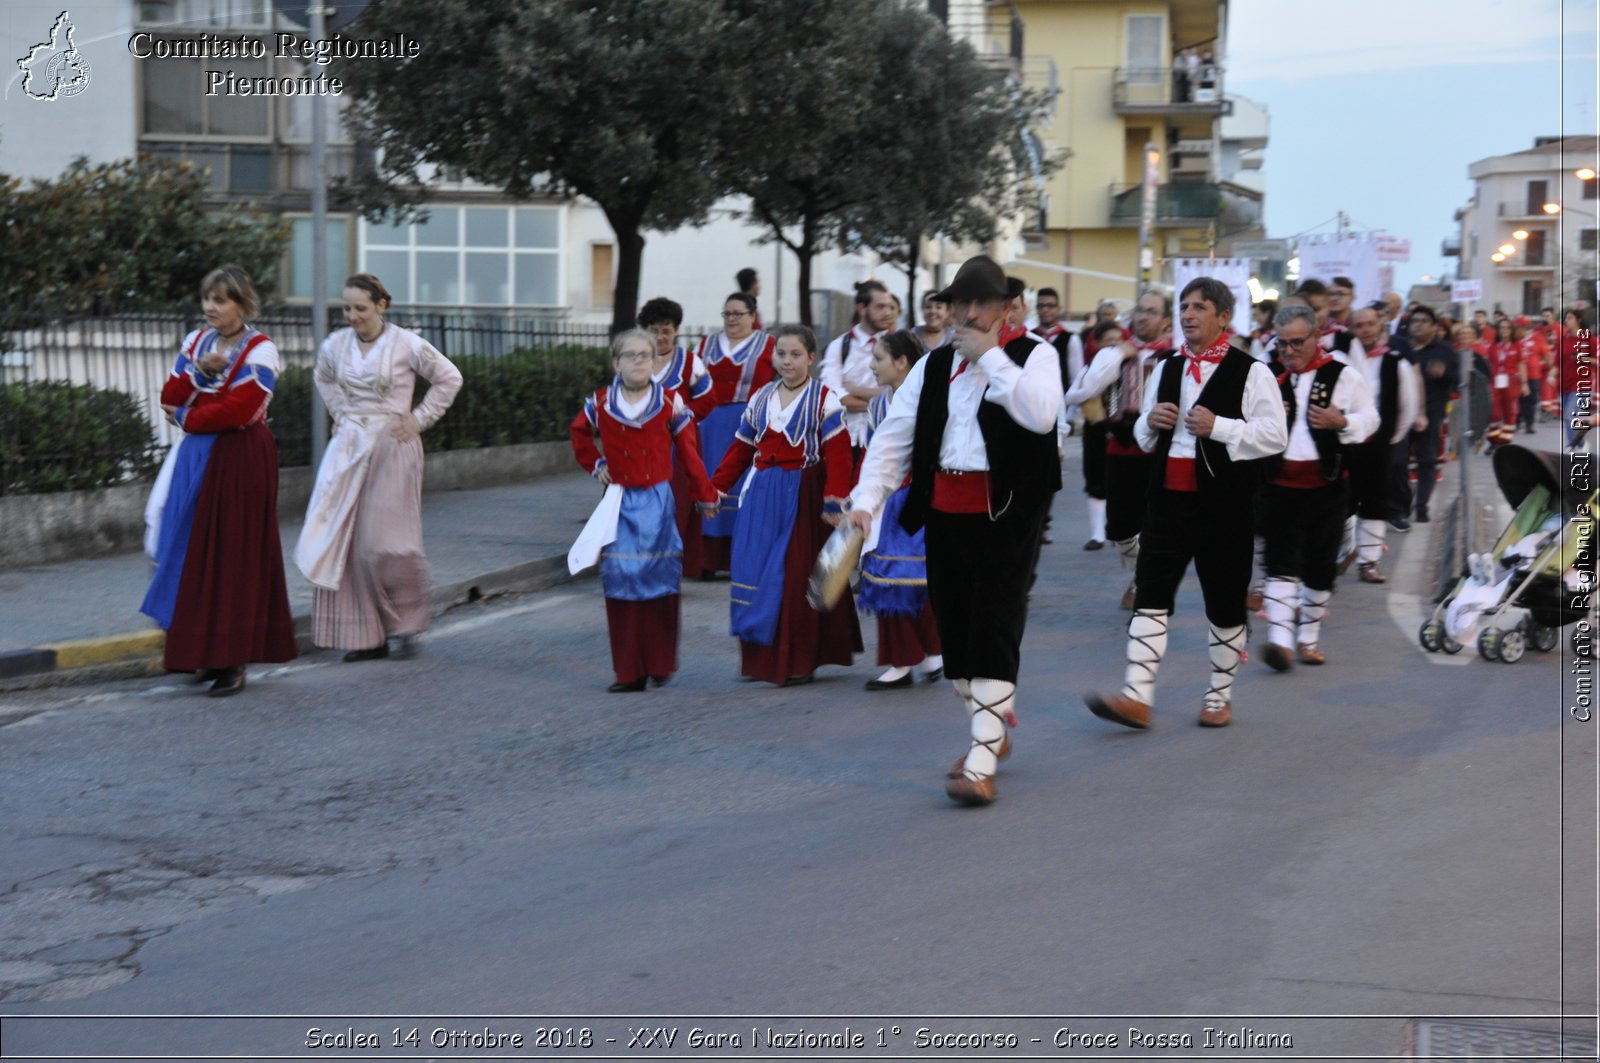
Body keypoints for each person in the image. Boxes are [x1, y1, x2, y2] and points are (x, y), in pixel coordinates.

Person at [846, 254, 1063, 807]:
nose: (967, 313)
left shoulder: (1034, 355)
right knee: (956, 631)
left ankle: (981, 760)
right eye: (959, 303)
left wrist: (992, 358)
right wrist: (865, 502)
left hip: (1008, 511)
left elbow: (1039, 415)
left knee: (994, 625)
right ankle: (991, 729)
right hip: (944, 507)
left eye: (981, 303)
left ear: (1007, 306)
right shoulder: (932, 366)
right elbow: (893, 438)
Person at [1083, 276, 1286, 731]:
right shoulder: (1167, 367)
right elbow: (1141, 433)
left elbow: (1275, 436)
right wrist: (1151, 423)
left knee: (1225, 603)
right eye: (1185, 307)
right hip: (1168, 500)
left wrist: (1222, 427)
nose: (1189, 315)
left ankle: (1218, 694)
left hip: (1224, 505)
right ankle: (1137, 695)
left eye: (1199, 307)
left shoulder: (1251, 371)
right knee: (1150, 597)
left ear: (1224, 317)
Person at [141, 266, 297, 696]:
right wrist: (200, 374)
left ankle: (234, 659)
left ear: (243, 306)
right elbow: (169, 397)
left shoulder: (262, 351)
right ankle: (203, 654)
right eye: (208, 298)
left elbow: (240, 411)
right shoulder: (195, 343)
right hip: (197, 456)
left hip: (242, 458)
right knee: (192, 551)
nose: (211, 307)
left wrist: (189, 417)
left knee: (233, 554)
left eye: (221, 300)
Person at [295, 273, 464, 662]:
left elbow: (448, 378)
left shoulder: (407, 343)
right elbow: (322, 378)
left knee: (386, 544)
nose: (352, 316)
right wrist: (340, 412)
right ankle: (367, 636)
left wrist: (419, 419)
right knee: (348, 543)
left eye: (361, 308)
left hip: (393, 446)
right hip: (348, 447)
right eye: (347, 308)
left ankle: (406, 621)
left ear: (381, 306)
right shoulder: (334, 345)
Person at [711, 324, 861, 686]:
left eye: (795, 355)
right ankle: (761, 659)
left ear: (811, 358)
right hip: (761, 495)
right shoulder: (760, 397)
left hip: (802, 496)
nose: (787, 361)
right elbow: (741, 450)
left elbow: (838, 456)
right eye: (781, 354)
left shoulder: (824, 399)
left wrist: (833, 498)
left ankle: (797, 660)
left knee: (792, 576)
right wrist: (715, 488)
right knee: (755, 572)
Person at [571, 330, 719, 692]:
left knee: (659, 581)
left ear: (655, 363)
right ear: (615, 363)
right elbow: (579, 434)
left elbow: (688, 454)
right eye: (629, 355)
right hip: (618, 502)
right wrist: (596, 464)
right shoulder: (601, 402)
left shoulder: (670, 402)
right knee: (620, 581)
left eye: (644, 356)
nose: (638, 361)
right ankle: (628, 671)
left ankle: (660, 662)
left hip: (657, 502)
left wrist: (706, 495)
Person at [1257, 305, 1377, 670]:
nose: (1289, 351)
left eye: (1297, 342)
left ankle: (1308, 637)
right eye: (1282, 344)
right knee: (1279, 561)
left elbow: (1371, 418)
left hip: (1326, 486)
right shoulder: (1264, 374)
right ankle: (1280, 643)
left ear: (1316, 337)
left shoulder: (1343, 375)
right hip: (1277, 483)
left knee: (1320, 566)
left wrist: (1342, 420)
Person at [1064, 291, 1175, 610]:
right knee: (1120, 530)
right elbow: (1078, 392)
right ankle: (1144, 575)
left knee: (1156, 527)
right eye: (1140, 310)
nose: (1143, 316)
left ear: (1165, 320)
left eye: (1152, 312)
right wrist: (1118, 355)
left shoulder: (1176, 356)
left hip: (1159, 454)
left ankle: (1147, 585)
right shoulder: (1113, 353)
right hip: (1120, 449)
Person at [857, 330, 943, 690]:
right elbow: (873, 455)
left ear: (902, 362)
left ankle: (924, 654)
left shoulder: (931, 397)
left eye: (878, 359)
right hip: (887, 500)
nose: (872, 366)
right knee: (887, 578)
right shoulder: (878, 405)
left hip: (921, 497)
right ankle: (910, 658)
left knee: (912, 579)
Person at [693, 292, 777, 574]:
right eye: (727, 313)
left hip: (750, 423)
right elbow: (690, 381)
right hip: (711, 425)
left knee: (743, 485)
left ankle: (743, 558)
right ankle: (707, 560)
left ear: (752, 316)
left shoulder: (769, 345)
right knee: (711, 482)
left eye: (738, 313)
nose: (732, 319)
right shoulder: (707, 344)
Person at [639, 296, 716, 577]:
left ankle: (669, 562)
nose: (660, 337)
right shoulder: (634, 358)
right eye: (653, 330)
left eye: (666, 330)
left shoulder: (690, 361)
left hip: (677, 447)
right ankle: (638, 561)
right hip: (638, 447)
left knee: (675, 504)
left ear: (676, 330)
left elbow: (708, 399)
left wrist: (682, 417)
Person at [1347, 304, 1420, 582]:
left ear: (1380, 327)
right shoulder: (1343, 360)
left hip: (1379, 443)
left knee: (1375, 502)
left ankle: (1369, 561)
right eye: (1359, 325)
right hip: (1346, 441)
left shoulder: (1396, 362)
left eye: (1369, 324)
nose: (1365, 330)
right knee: (1342, 502)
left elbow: (1408, 408)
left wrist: (1390, 439)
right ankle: (1342, 553)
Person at [821, 281, 897, 464]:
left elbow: (903, 393)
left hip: (887, 439)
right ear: (862, 309)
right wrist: (881, 401)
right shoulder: (839, 346)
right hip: (848, 439)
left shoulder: (898, 347)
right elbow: (833, 398)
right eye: (880, 307)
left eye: (890, 306)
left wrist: (854, 390)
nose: (887, 312)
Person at [1404, 306, 1459, 522]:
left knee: (1426, 461)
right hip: (1403, 413)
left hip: (1431, 413)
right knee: (1398, 462)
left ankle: (1421, 506)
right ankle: (1402, 503)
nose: (1418, 324)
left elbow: (1456, 381)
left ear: (1435, 327)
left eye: (1423, 320)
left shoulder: (1445, 351)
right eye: (1414, 320)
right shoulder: (1403, 347)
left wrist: (1444, 373)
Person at [1485, 317, 1523, 451]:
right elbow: (1488, 364)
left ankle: (1504, 441)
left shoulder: (1516, 345)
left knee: (1509, 413)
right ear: (1498, 330)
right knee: (1494, 413)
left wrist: (1524, 383)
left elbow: (1521, 363)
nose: (1504, 330)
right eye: (1502, 327)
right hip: (1496, 381)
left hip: (1511, 382)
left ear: (1511, 330)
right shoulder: (1493, 346)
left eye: (1507, 327)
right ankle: (1493, 441)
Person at [1559, 308, 1595, 448]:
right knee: (1569, 418)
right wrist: (1552, 374)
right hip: (1564, 386)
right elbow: (1557, 362)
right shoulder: (1564, 340)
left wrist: (1584, 358)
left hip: (1581, 384)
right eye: (1565, 318)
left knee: (1569, 415)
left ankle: (1574, 445)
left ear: (1578, 320)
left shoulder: (1590, 339)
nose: (1566, 321)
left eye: (1569, 318)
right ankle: (1579, 444)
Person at [1515, 316, 1547, 434]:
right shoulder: (1515, 340)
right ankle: (1517, 421)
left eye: (1518, 327)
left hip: (1533, 375)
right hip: (1517, 376)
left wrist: (1541, 366)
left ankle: (1529, 424)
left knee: (1531, 400)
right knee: (1518, 399)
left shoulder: (1538, 338)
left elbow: (1546, 355)